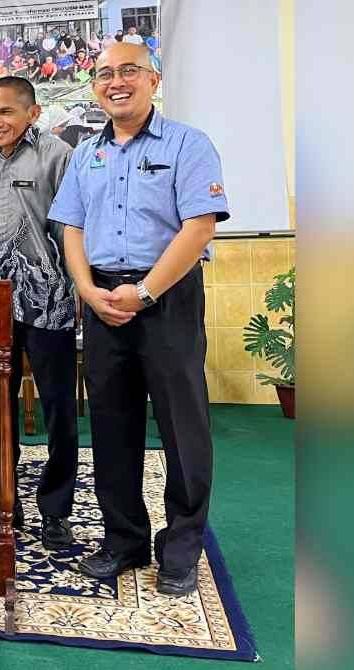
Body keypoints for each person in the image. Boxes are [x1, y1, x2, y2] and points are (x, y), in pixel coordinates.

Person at [47, 44, 230, 596]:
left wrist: (145, 292)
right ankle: (124, 540)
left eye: (129, 71)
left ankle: (181, 549)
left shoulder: (188, 144)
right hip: (103, 299)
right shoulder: (85, 154)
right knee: (111, 423)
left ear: (153, 79)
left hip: (167, 297)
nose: (116, 82)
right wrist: (86, 289)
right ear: (95, 87)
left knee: (182, 425)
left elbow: (200, 227)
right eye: (105, 74)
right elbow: (71, 227)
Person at [0, 77, 78, 551]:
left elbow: (71, 227)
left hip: (50, 298)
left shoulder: (58, 156)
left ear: (32, 113)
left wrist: (77, 288)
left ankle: (56, 512)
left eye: (5, 111)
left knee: (57, 406)